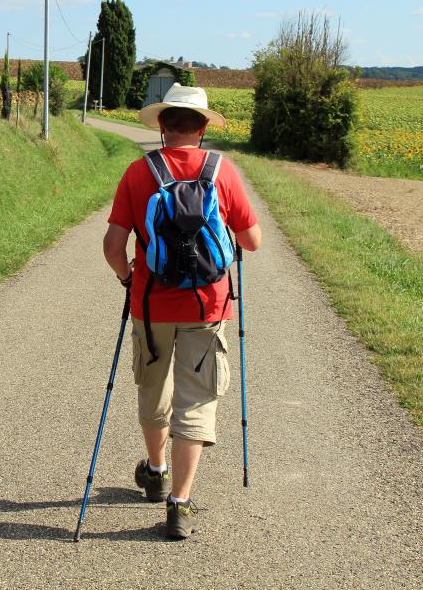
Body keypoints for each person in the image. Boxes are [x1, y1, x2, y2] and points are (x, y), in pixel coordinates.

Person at [103, 84, 261, 539]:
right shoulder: (223, 172)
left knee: (154, 390)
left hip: (150, 305)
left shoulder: (139, 173)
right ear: (204, 127)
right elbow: (252, 242)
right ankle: (179, 503)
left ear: (160, 125)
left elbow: (114, 247)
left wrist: (128, 278)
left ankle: (155, 470)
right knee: (197, 397)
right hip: (208, 306)